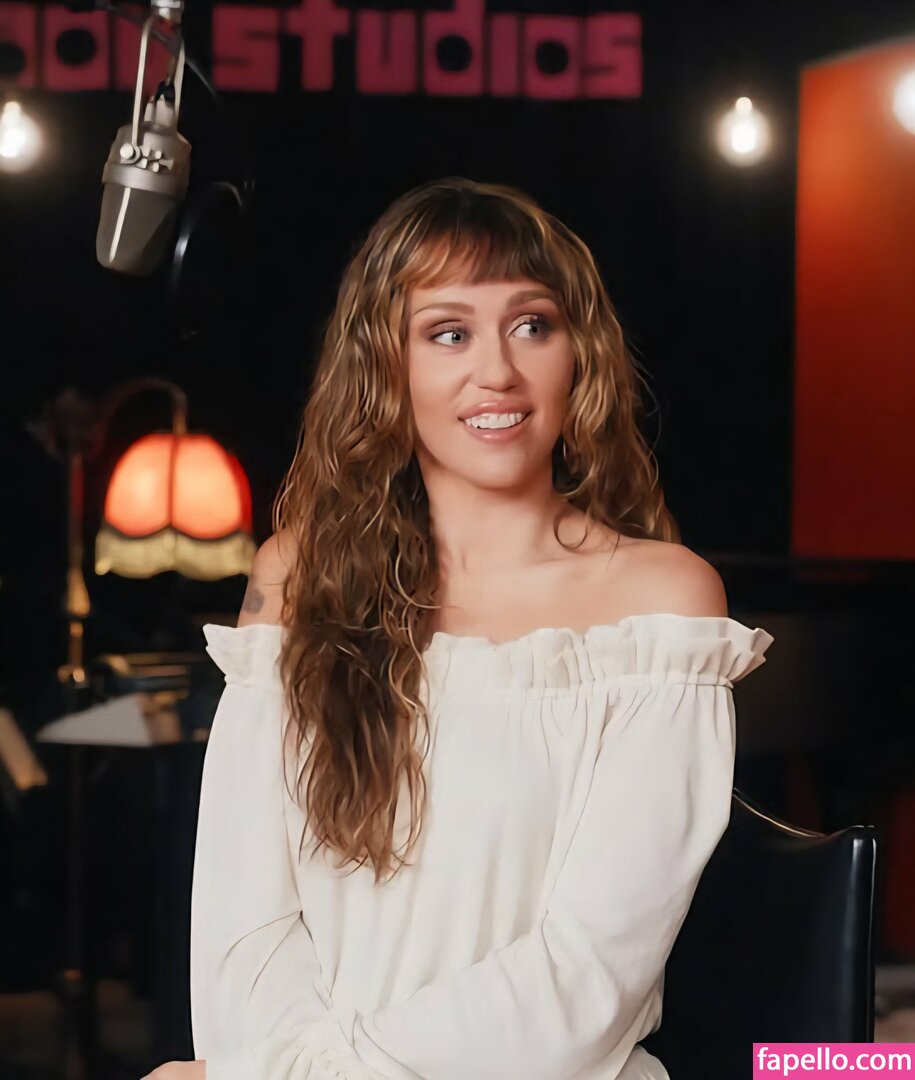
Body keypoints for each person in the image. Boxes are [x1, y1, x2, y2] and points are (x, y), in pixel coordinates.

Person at [144, 177, 774, 1080]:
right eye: (448, 332)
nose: (498, 372)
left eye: (532, 325)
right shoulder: (297, 578)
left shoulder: (660, 606)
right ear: (385, 365)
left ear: (578, 354)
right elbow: (245, 925)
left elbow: (587, 977)